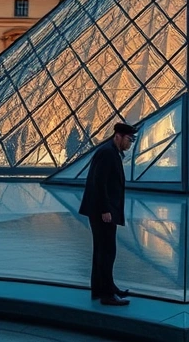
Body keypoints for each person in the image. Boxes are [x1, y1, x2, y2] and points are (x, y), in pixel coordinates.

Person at [78, 122, 136, 306]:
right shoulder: (107, 153)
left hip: (102, 210)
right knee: (107, 252)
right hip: (103, 212)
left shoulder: (110, 151)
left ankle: (103, 288)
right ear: (118, 136)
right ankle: (107, 295)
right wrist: (105, 209)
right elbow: (99, 182)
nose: (130, 143)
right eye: (129, 139)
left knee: (102, 251)